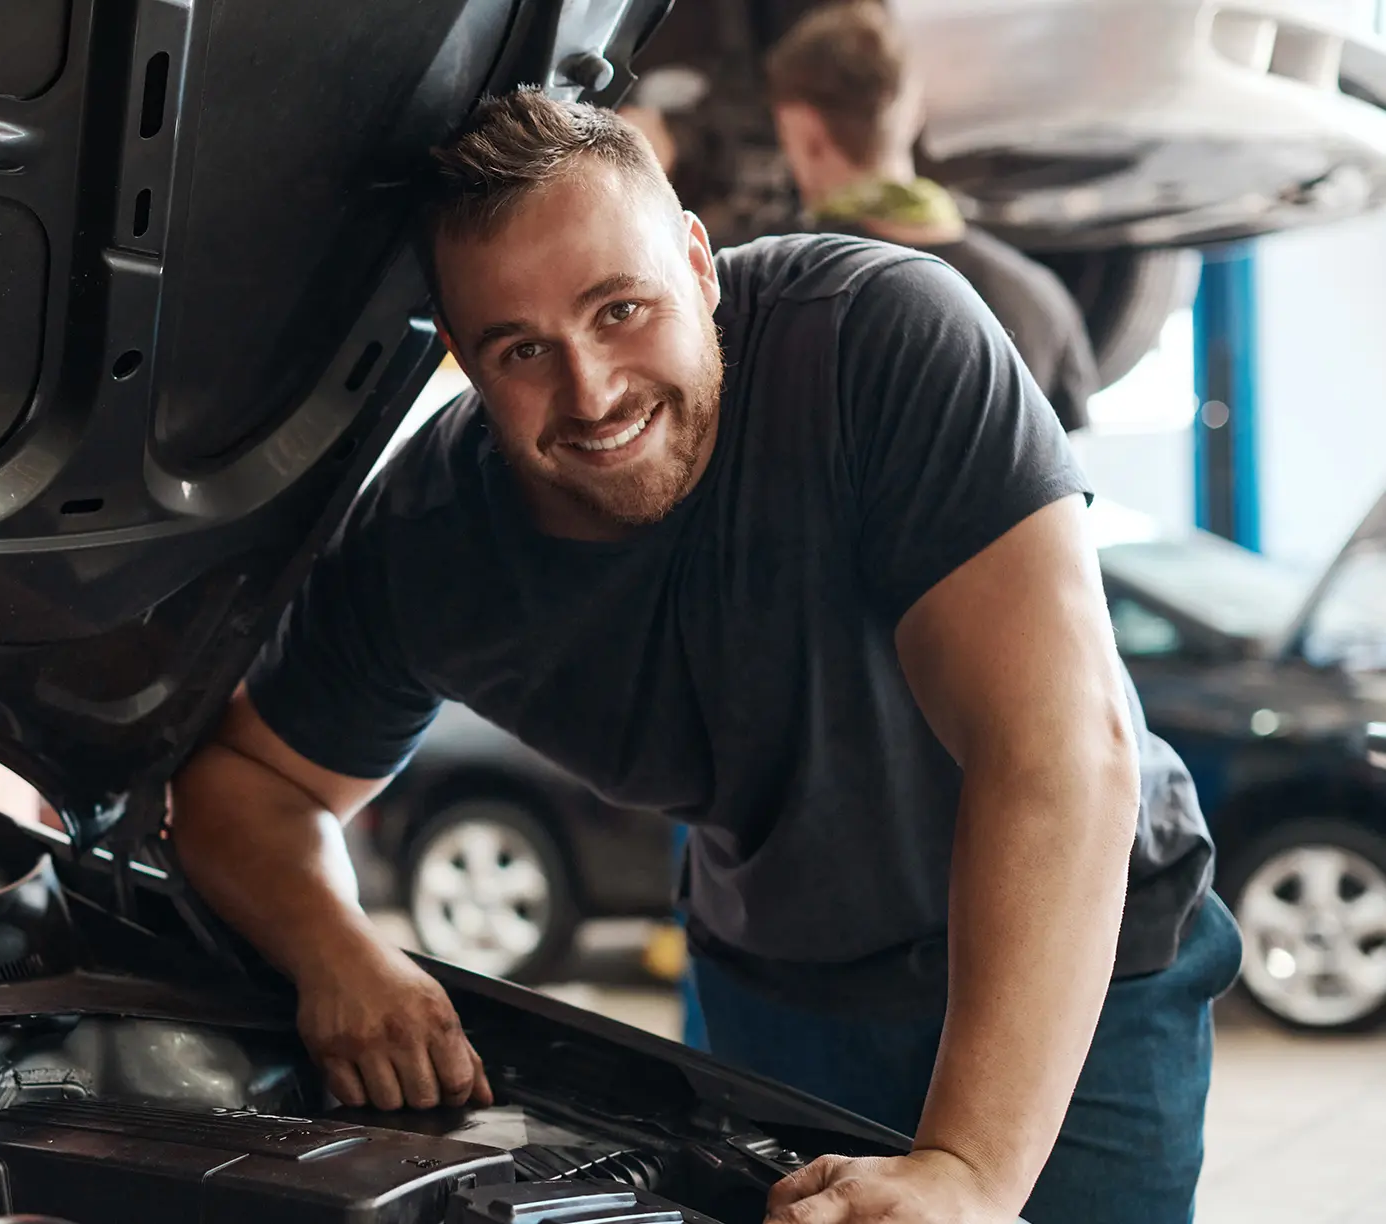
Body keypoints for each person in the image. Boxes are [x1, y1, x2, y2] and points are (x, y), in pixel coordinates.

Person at [168, 89, 1237, 1224]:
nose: (591, 390)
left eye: (620, 308)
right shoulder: (427, 543)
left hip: (1081, 970)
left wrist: (968, 1172)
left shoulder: (873, 341)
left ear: (697, 262)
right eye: (522, 348)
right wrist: (338, 951)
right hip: (777, 996)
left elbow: (1057, 752)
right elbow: (248, 785)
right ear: (464, 365)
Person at [761, 0, 1098, 432]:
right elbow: (1071, 478)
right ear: (913, 114)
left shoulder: (775, 285)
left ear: (806, 134)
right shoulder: (1038, 297)